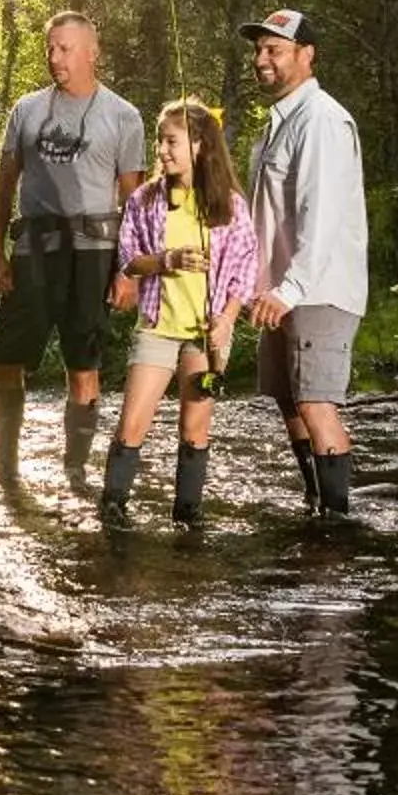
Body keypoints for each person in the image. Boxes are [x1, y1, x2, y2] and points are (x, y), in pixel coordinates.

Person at [0, 13, 149, 491]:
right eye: (50, 47)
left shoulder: (123, 116)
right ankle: (6, 464)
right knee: (2, 360)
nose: (53, 56)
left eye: (64, 48)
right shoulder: (28, 109)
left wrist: (129, 271)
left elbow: (134, 201)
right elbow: (3, 185)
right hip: (34, 250)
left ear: (90, 52)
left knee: (84, 366)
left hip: (94, 254)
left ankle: (75, 470)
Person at [102, 99, 259, 526]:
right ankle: (113, 511)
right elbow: (130, 261)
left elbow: (245, 270)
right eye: (160, 142)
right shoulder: (144, 200)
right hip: (157, 327)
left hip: (203, 337)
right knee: (132, 423)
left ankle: (188, 518)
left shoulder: (230, 205)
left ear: (200, 146)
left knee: (195, 429)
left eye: (172, 142)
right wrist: (167, 259)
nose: (163, 151)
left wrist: (226, 320)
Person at [240, 9, 368, 515]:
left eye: (274, 49)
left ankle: (338, 524)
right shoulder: (278, 124)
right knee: (288, 401)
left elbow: (324, 216)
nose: (261, 59)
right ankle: (316, 503)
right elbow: (265, 217)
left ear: (306, 55)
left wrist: (289, 289)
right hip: (279, 293)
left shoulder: (322, 121)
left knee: (316, 404)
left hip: (318, 291)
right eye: (258, 50)